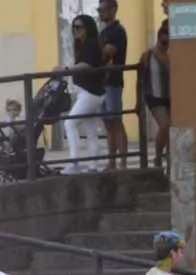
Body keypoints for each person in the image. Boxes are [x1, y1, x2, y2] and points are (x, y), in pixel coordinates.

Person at [63, 15, 107, 173]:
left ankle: (74, 162)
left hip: (90, 92)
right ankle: (93, 166)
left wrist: (66, 69)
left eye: (79, 27)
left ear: (88, 28)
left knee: (70, 123)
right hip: (88, 91)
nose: (75, 30)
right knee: (91, 130)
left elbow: (87, 65)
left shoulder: (91, 43)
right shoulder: (84, 45)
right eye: (74, 27)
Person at [96, 0, 131, 170]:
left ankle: (123, 162)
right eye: (99, 9)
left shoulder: (117, 31)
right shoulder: (104, 31)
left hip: (113, 83)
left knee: (116, 122)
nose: (100, 12)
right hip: (103, 83)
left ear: (113, 10)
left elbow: (107, 53)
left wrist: (94, 56)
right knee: (108, 124)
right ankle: (112, 162)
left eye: (103, 9)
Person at [141, 21, 171, 170]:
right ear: (158, 38)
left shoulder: (173, 54)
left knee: (172, 129)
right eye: (163, 41)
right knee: (165, 125)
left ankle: (169, 160)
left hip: (171, 96)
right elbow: (139, 79)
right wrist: (138, 99)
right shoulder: (148, 55)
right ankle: (158, 156)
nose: (165, 45)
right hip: (154, 96)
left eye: (167, 42)